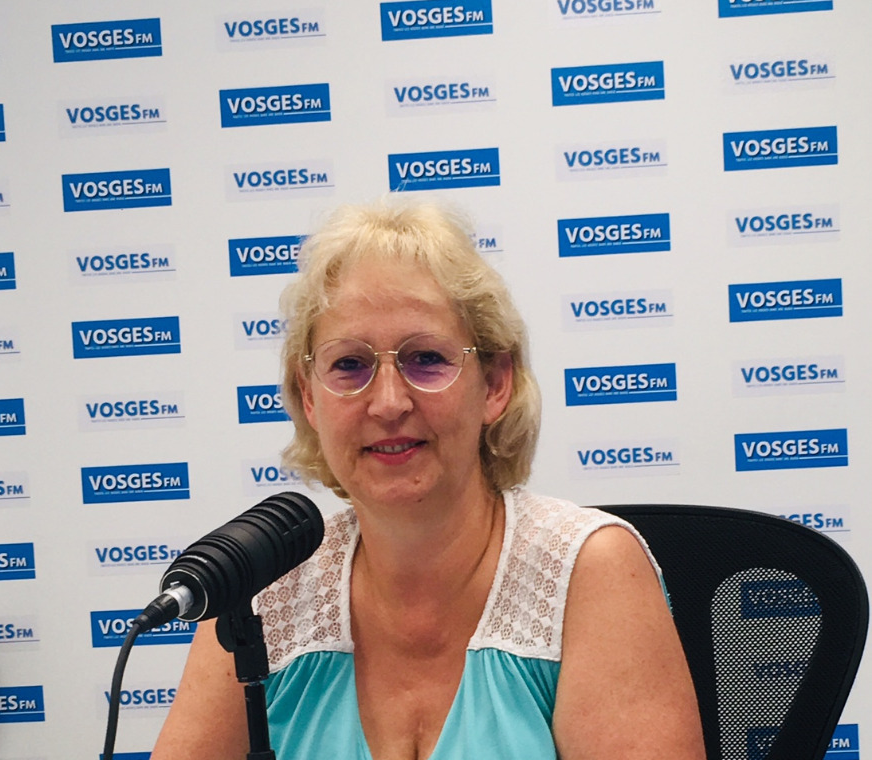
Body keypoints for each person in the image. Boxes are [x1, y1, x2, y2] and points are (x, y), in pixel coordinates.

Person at [151, 197, 705, 760]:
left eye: (426, 359)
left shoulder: (589, 571)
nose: (389, 402)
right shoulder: (262, 588)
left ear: (495, 384)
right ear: (308, 397)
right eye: (349, 365)